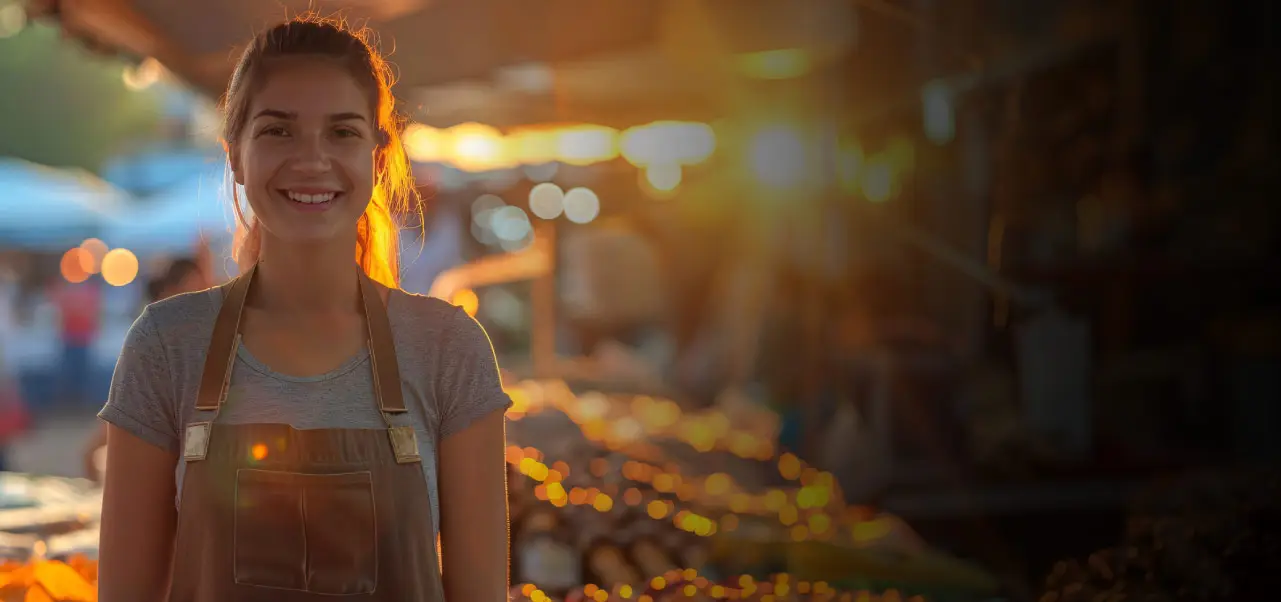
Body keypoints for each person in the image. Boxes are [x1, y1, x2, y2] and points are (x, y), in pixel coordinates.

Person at [97, 16, 511, 602]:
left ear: (377, 153)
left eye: (341, 132)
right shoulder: (166, 345)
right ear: (235, 155)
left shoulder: (450, 350)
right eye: (278, 132)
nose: (312, 159)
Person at [82, 257, 210, 482]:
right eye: (196, 292)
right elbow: (93, 449)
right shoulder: (158, 353)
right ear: (169, 293)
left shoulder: (203, 351)